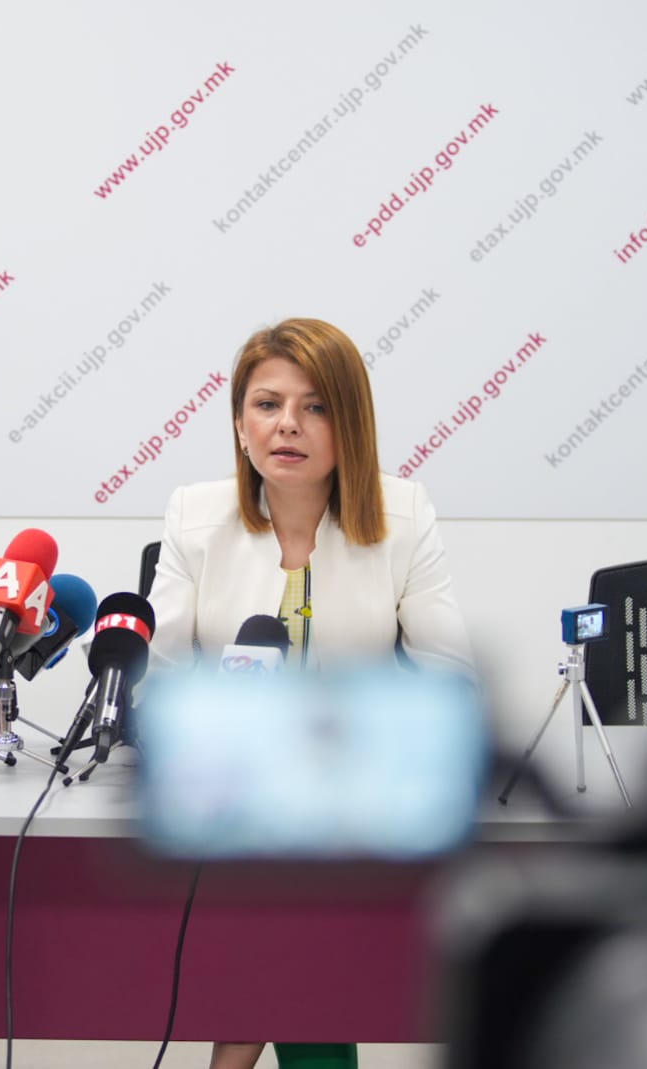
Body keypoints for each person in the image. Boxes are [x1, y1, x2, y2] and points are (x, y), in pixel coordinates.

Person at [146, 317, 473, 1069]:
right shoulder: (195, 517)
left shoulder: (402, 518)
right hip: (228, 803)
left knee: (288, 922)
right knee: (285, 926)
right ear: (239, 424)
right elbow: (153, 677)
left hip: (351, 806)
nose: (287, 424)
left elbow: (450, 678)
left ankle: (234, 1052)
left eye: (316, 406)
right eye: (267, 404)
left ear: (350, 424)